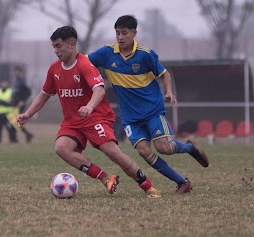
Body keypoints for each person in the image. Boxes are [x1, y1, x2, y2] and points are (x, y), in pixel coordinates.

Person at [17, 26, 160, 198]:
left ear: (72, 44)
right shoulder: (54, 69)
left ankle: (147, 186)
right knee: (62, 148)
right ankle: (106, 178)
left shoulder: (85, 65)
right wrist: (28, 114)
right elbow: (45, 94)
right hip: (72, 122)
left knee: (112, 152)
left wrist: (89, 106)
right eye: (53, 47)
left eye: (58, 46)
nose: (56, 50)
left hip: (95, 117)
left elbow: (99, 90)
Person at [87, 15, 210, 194]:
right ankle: (182, 182)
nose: (120, 37)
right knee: (145, 152)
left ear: (134, 33)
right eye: (117, 33)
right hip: (130, 116)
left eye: (124, 33)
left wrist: (169, 91)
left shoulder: (145, 54)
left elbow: (165, 74)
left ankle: (190, 148)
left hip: (152, 110)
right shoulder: (106, 53)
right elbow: (83, 63)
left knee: (164, 148)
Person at [11, 66, 34, 143]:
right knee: (13, 120)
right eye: (15, 72)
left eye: (18, 72)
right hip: (15, 103)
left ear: (20, 72)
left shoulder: (22, 81)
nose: (16, 73)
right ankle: (26, 134)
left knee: (14, 120)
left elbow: (28, 92)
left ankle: (14, 139)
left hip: (19, 104)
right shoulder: (16, 81)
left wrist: (23, 100)